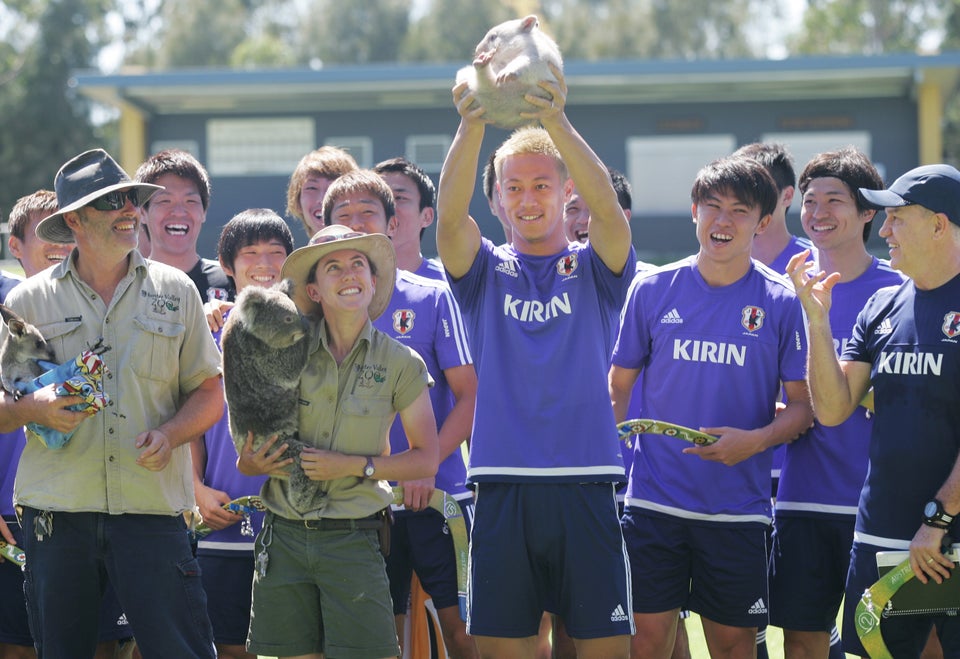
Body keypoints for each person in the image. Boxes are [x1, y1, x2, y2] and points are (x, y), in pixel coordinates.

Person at [438, 68, 635, 657]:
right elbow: (448, 221)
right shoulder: (484, 273)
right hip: (501, 485)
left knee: (603, 650)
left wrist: (555, 119)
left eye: (542, 186)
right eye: (514, 187)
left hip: (588, 484)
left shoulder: (596, 267)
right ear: (495, 197)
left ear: (565, 190)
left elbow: (610, 215)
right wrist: (471, 123)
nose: (528, 199)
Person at [0, 148, 223, 657]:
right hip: (58, 516)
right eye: (113, 202)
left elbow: (210, 392)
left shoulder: (178, 291)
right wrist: (33, 408)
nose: (130, 210)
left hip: (152, 511)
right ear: (73, 220)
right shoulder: (26, 301)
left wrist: (171, 435)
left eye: (132, 199)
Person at [609, 155, 813, 659]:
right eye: (712, 206)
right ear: (694, 211)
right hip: (654, 504)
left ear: (762, 222)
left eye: (739, 210)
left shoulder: (781, 300)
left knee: (731, 644)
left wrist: (755, 441)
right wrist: (611, 470)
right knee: (648, 638)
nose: (722, 221)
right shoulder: (653, 288)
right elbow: (616, 388)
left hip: (737, 510)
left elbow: (803, 409)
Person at [241, 223, 439, 658]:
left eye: (358, 265)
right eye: (333, 267)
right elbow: (248, 456)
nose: (349, 274)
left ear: (373, 281)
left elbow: (427, 459)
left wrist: (353, 466)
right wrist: (254, 461)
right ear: (313, 290)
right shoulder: (280, 353)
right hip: (285, 537)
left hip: (355, 539)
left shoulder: (403, 362)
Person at [786, 164, 960, 658]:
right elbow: (834, 408)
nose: (883, 230)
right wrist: (817, 322)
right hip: (880, 535)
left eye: (896, 218)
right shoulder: (882, 305)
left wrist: (939, 520)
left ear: (939, 224)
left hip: (946, 537)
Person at [322, 168, 479, 659]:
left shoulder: (430, 296)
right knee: (376, 639)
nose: (356, 224)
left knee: (462, 632)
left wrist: (423, 464)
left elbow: (471, 396)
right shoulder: (312, 307)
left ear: (392, 225)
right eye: (342, 217)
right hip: (356, 502)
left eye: (368, 213)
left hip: (436, 496)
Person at [769, 147, 902, 659]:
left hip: (882, 505)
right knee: (804, 643)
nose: (818, 212)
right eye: (809, 200)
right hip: (801, 500)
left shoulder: (902, 291)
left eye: (834, 200)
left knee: (889, 646)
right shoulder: (781, 292)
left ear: (869, 212)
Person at [1, 190, 138, 659]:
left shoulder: (120, 300)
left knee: (109, 647)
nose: (60, 242)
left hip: (113, 513)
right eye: (45, 232)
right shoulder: (10, 310)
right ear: (15, 245)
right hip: (22, 516)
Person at [191, 209, 295, 659]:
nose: (265, 264)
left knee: (295, 646)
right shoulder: (205, 332)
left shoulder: (311, 330)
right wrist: (195, 490)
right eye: (251, 254)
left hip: (295, 524)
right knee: (229, 648)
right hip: (222, 523)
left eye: (276, 253)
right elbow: (187, 427)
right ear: (227, 266)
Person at [134, 148, 234, 303]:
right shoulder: (126, 286)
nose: (179, 212)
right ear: (143, 213)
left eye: (190, 201)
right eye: (165, 201)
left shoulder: (231, 282)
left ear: (204, 212)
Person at [372, 157, 446, 280]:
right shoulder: (349, 286)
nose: (387, 207)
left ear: (427, 216)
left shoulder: (450, 286)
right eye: (378, 198)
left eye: (400, 198)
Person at [286, 146, 358, 240]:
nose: (322, 199)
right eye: (312, 188)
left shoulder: (377, 253)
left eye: (332, 187)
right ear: (298, 202)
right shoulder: (293, 255)